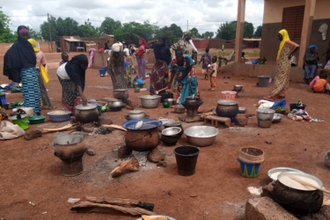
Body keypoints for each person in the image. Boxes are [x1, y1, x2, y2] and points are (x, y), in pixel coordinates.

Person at [3, 25, 41, 115]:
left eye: (26, 35)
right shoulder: (16, 46)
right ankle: (31, 112)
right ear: (19, 35)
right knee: (29, 93)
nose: (25, 37)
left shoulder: (28, 44)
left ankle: (37, 111)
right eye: (23, 35)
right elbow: (8, 57)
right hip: (25, 73)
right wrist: (17, 68)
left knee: (36, 93)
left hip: (33, 71)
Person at [263, 29, 299, 101]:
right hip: (284, 62)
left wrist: (291, 54)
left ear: (284, 35)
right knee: (284, 78)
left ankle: (272, 95)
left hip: (285, 62)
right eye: (278, 36)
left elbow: (297, 46)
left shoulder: (287, 41)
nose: (279, 38)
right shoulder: (283, 42)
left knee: (279, 78)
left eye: (280, 36)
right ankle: (281, 94)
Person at [28, 38, 54, 109]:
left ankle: (33, 106)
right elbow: (44, 64)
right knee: (42, 88)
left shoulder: (26, 53)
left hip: (28, 73)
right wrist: (43, 72)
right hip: (37, 72)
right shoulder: (40, 53)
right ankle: (49, 105)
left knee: (30, 89)